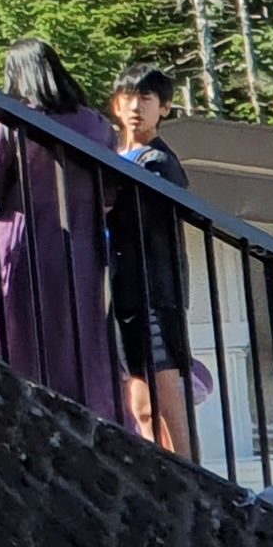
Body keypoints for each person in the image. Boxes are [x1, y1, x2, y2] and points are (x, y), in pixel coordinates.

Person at [0, 39, 124, 426]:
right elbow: (111, 188)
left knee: (18, 333)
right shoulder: (98, 125)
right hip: (82, 246)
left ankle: (22, 416)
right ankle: (86, 419)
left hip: (24, 240)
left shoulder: (13, 120)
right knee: (79, 336)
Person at [102, 63, 199, 458]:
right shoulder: (115, 155)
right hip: (125, 287)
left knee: (165, 393)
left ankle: (187, 471)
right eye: (127, 97)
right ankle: (158, 469)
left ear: (165, 108)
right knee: (140, 402)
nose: (135, 107)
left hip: (156, 288)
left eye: (145, 98)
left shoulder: (158, 162)